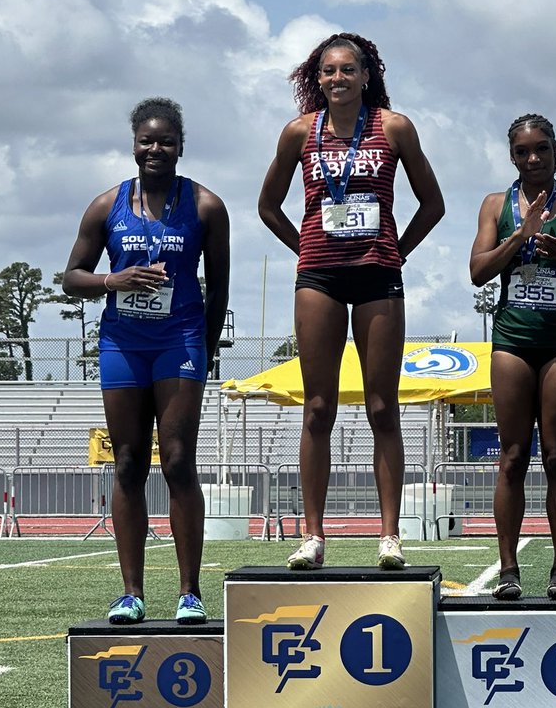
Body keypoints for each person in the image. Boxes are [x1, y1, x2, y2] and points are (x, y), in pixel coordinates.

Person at [258, 33, 445, 570]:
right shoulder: (299, 133)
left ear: (366, 76)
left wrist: (398, 252)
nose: (336, 79)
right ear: (316, 80)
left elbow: (432, 203)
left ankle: (389, 537)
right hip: (319, 278)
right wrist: (306, 248)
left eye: (346, 70)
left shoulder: (394, 127)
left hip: (378, 277)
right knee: (318, 408)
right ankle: (313, 536)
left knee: (382, 407)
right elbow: (268, 206)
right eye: (327, 72)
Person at [63, 97, 230, 624]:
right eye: (147, 141)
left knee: (178, 459)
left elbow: (219, 288)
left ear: (181, 147)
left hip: (179, 341)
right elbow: (71, 278)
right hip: (122, 344)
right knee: (130, 462)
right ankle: (131, 593)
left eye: (166, 142)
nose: (156, 149)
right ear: (134, 145)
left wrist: (201, 348)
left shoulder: (205, 206)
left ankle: (189, 592)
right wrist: (115, 280)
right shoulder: (105, 205)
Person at [469, 114, 556, 600]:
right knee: (512, 457)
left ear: (555, 151)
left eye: (541, 149)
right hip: (512, 340)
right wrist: (519, 236)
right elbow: (477, 272)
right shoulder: (494, 204)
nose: (533, 158)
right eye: (524, 151)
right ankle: (508, 571)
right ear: (512, 157)